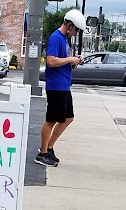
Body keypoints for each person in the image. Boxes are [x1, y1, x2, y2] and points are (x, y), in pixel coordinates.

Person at [35, 9, 87, 167]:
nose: (76, 32)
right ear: (69, 25)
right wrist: (70, 59)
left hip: (64, 84)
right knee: (51, 120)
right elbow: (51, 61)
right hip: (56, 85)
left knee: (68, 118)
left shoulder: (64, 39)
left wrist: (73, 60)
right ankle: (42, 154)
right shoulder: (56, 38)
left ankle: (49, 148)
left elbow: (62, 60)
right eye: (76, 29)